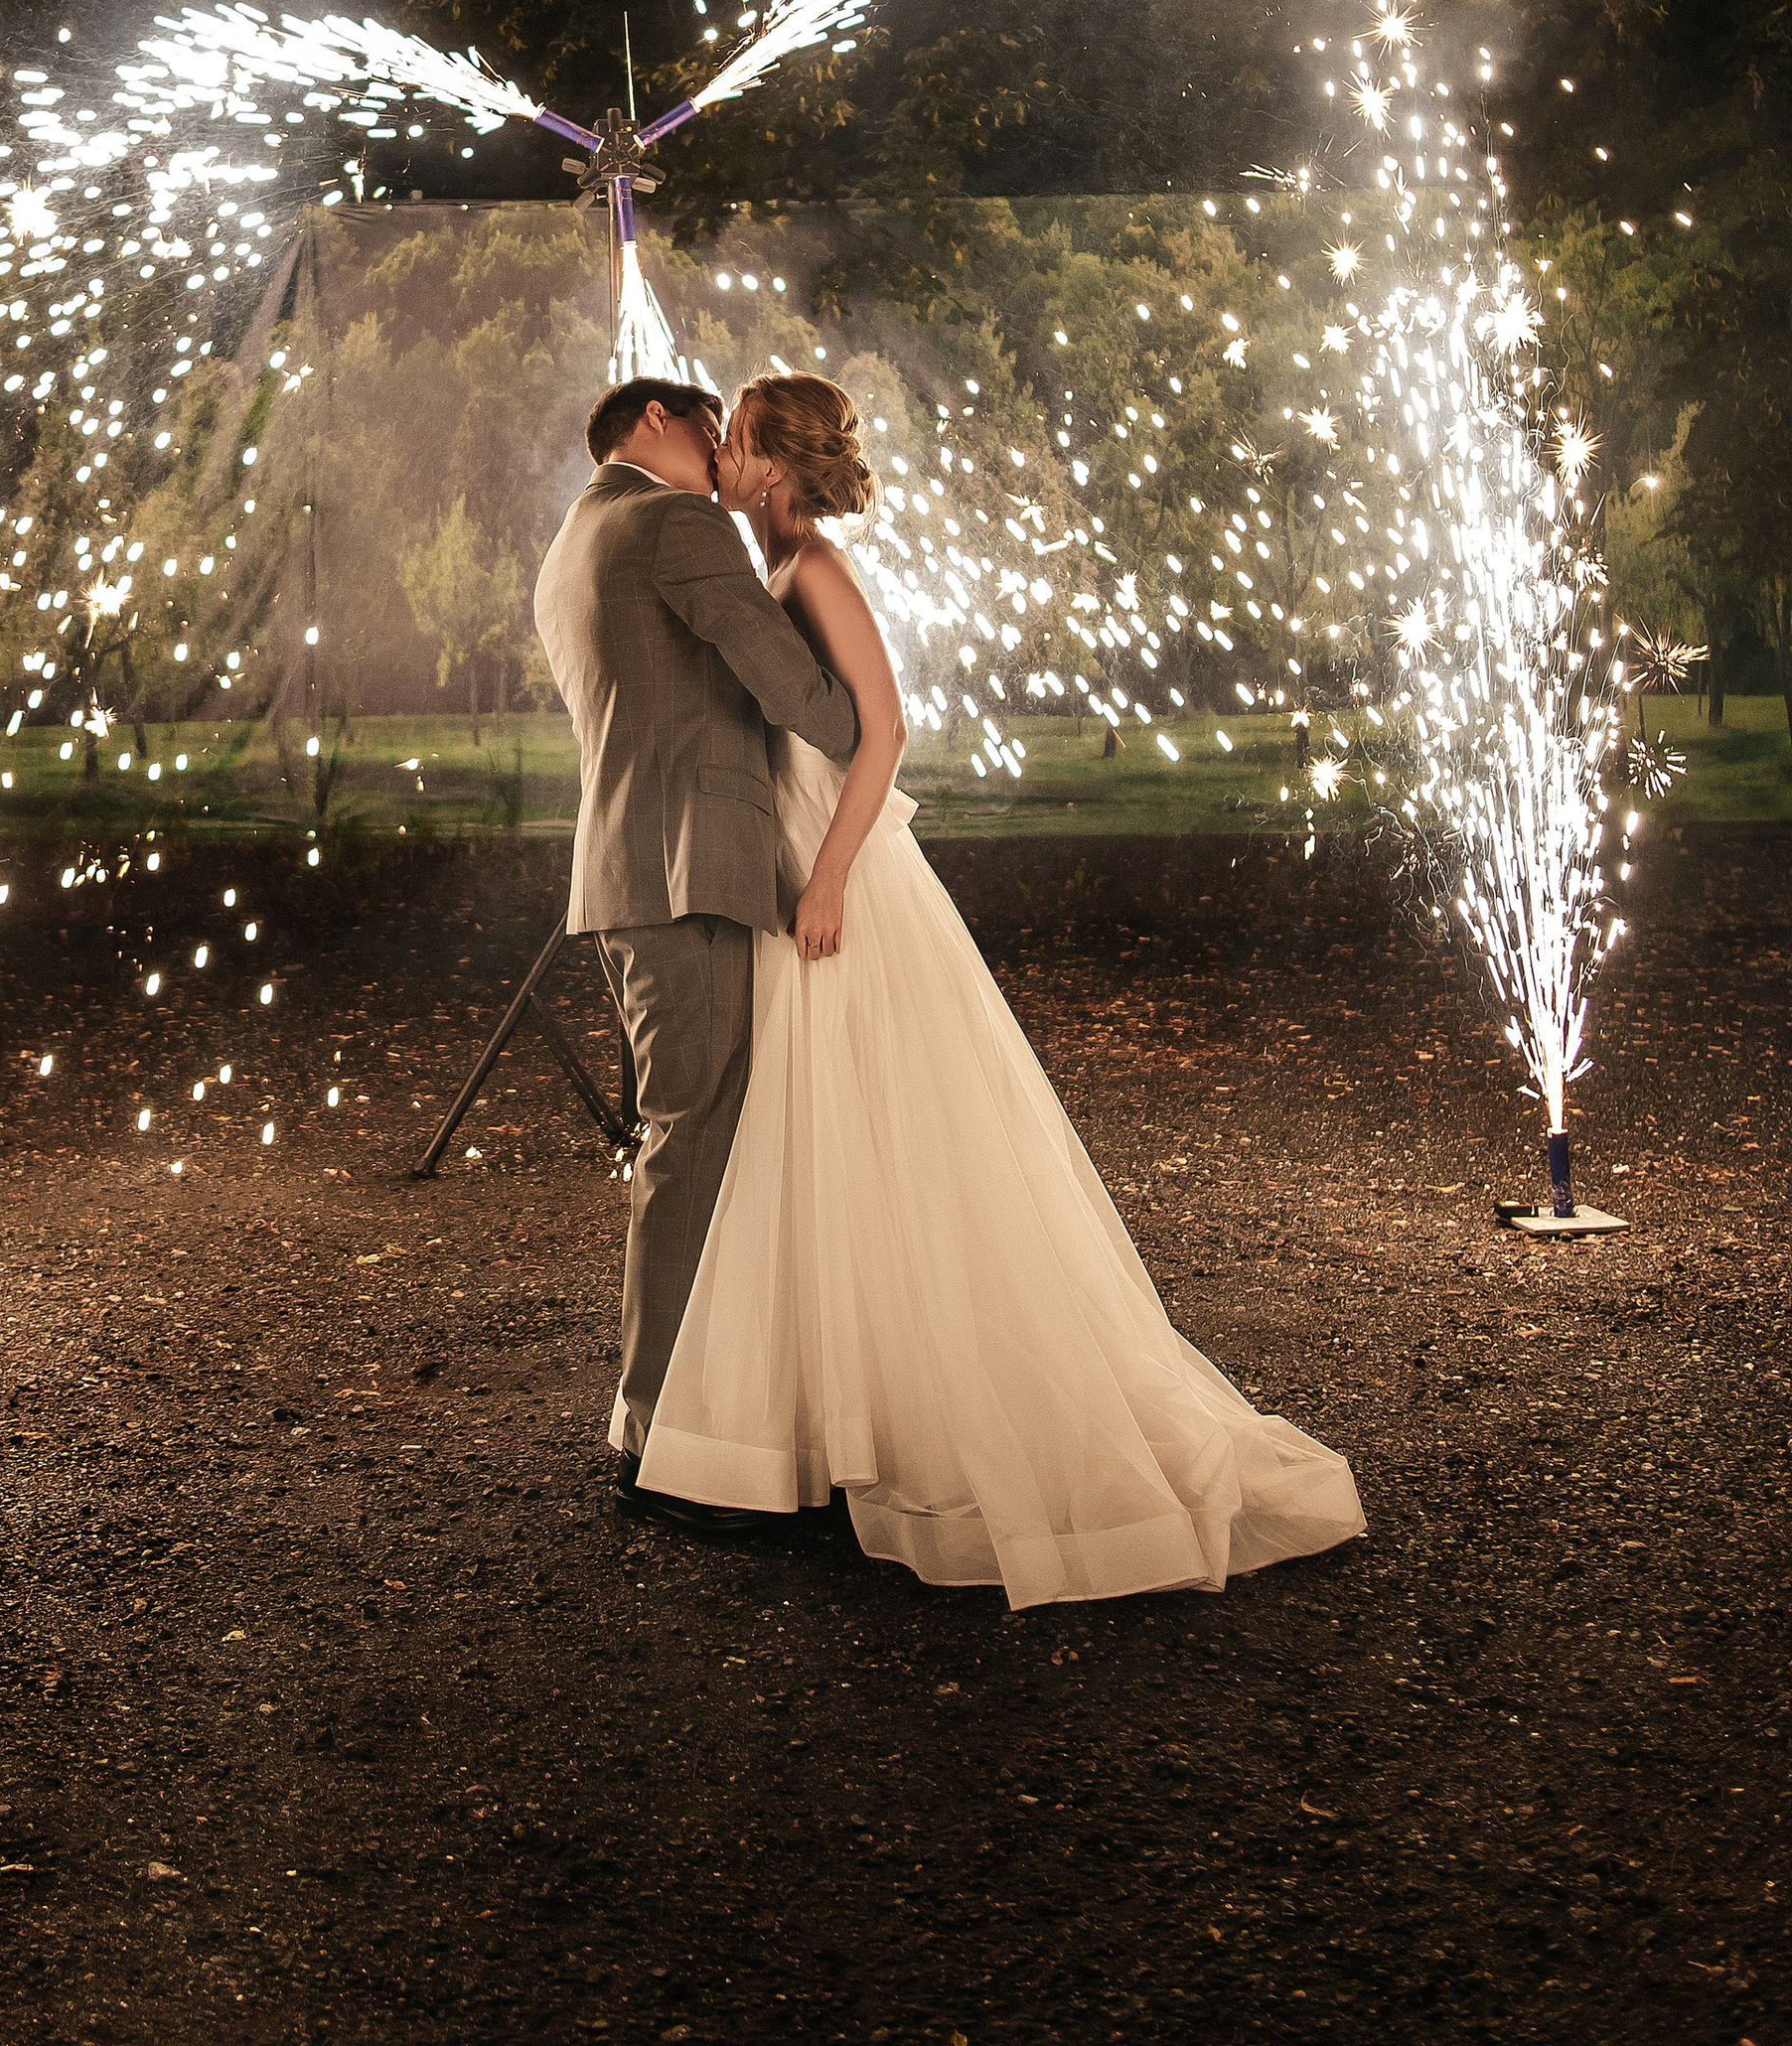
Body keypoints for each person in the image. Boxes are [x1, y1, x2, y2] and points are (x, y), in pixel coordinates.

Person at [642, 367, 1367, 1605]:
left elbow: (887, 726)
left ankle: (930, 1426)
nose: (725, 460)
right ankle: (834, 1423)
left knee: (891, 1134)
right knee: (827, 1145)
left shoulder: (811, 570)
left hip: (842, 878)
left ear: (771, 463)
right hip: (799, 871)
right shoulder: (764, 572)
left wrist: (828, 879)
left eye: (740, 444)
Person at [531, 374, 863, 1532]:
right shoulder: (671, 524)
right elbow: (776, 675)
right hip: (687, 877)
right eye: (709, 431)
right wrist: (856, 727)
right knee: (691, 1139)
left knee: (691, 1130)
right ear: (660, 427)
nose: (722, 457)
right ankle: (660, 1434)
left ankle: (693, 1416)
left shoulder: (570, 544)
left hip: (633, 878)